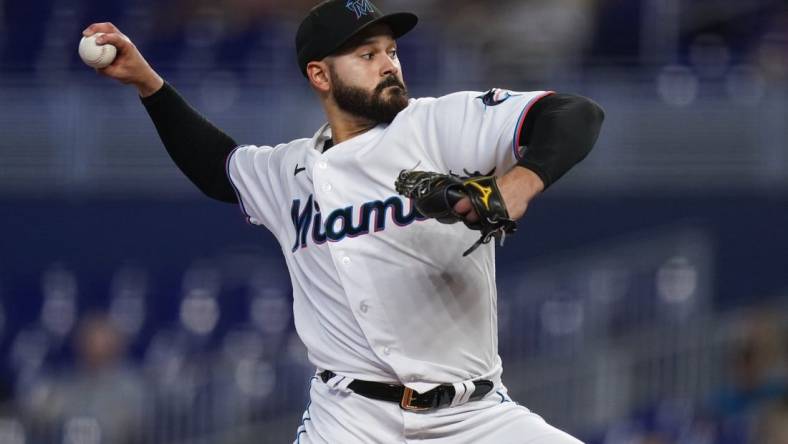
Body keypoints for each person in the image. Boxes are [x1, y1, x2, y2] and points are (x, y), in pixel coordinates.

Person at [83, 0, 604, 442]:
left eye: (392, 51)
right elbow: (218, 168)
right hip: (351, 419)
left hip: (474, 416)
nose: (389, 65)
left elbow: (576, 115)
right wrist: (148, 83)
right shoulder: (289, 171)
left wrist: (518, 184)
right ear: (320, 74)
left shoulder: (440, 124)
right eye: (367, 54)